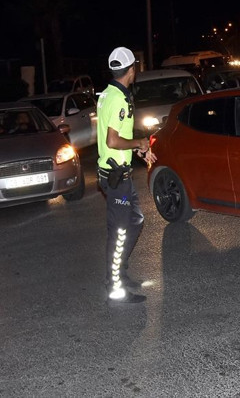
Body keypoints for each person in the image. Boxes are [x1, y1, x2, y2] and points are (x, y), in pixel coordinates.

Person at [97, 46, 156, 305]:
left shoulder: (110, 94)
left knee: (136, 221)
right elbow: (112, 140)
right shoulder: (117, 99)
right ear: (132, 70)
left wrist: (139, 151)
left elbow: (116, 136)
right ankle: (115, 287)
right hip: (115, 176)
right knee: (120, 231)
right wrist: (139, 142)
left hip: (121, 173)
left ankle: (119, 274)